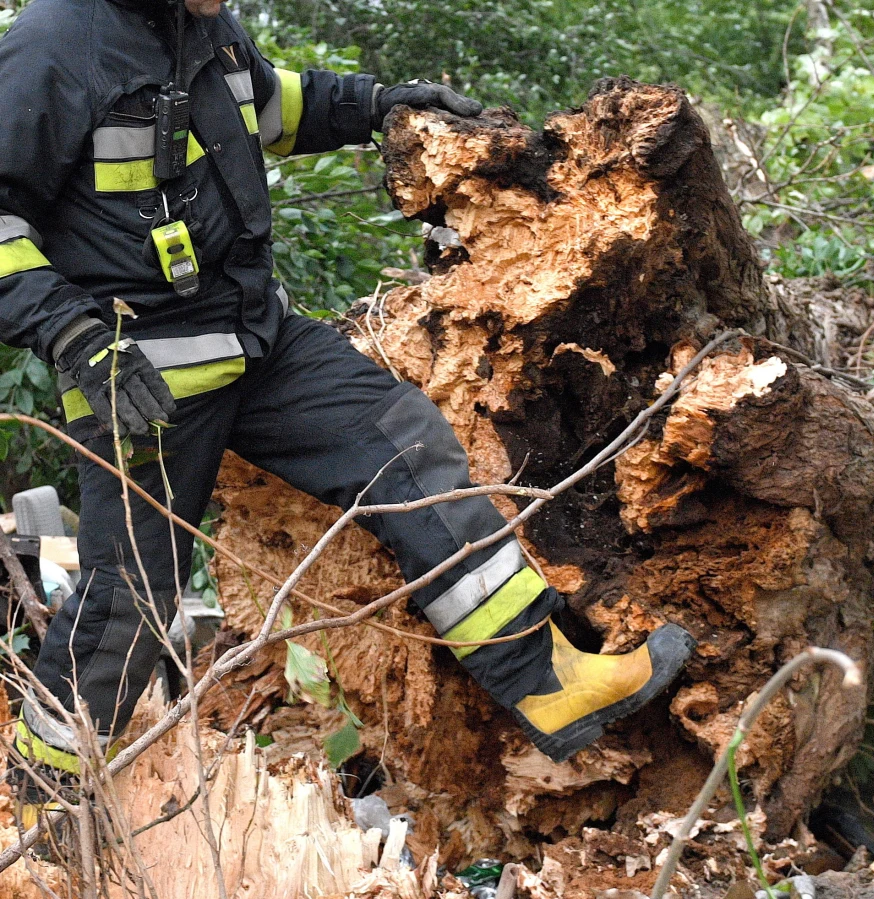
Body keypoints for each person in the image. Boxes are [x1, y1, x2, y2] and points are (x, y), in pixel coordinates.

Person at [0, 0, 694, 829]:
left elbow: (273, 103)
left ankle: (547, 681)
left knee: (405, 446)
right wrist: (72, 332)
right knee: (132, 601)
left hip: (258, 341)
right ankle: (39, 801)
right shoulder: (53, 43)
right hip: (138, 372)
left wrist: (377, 105)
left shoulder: (203, 28)